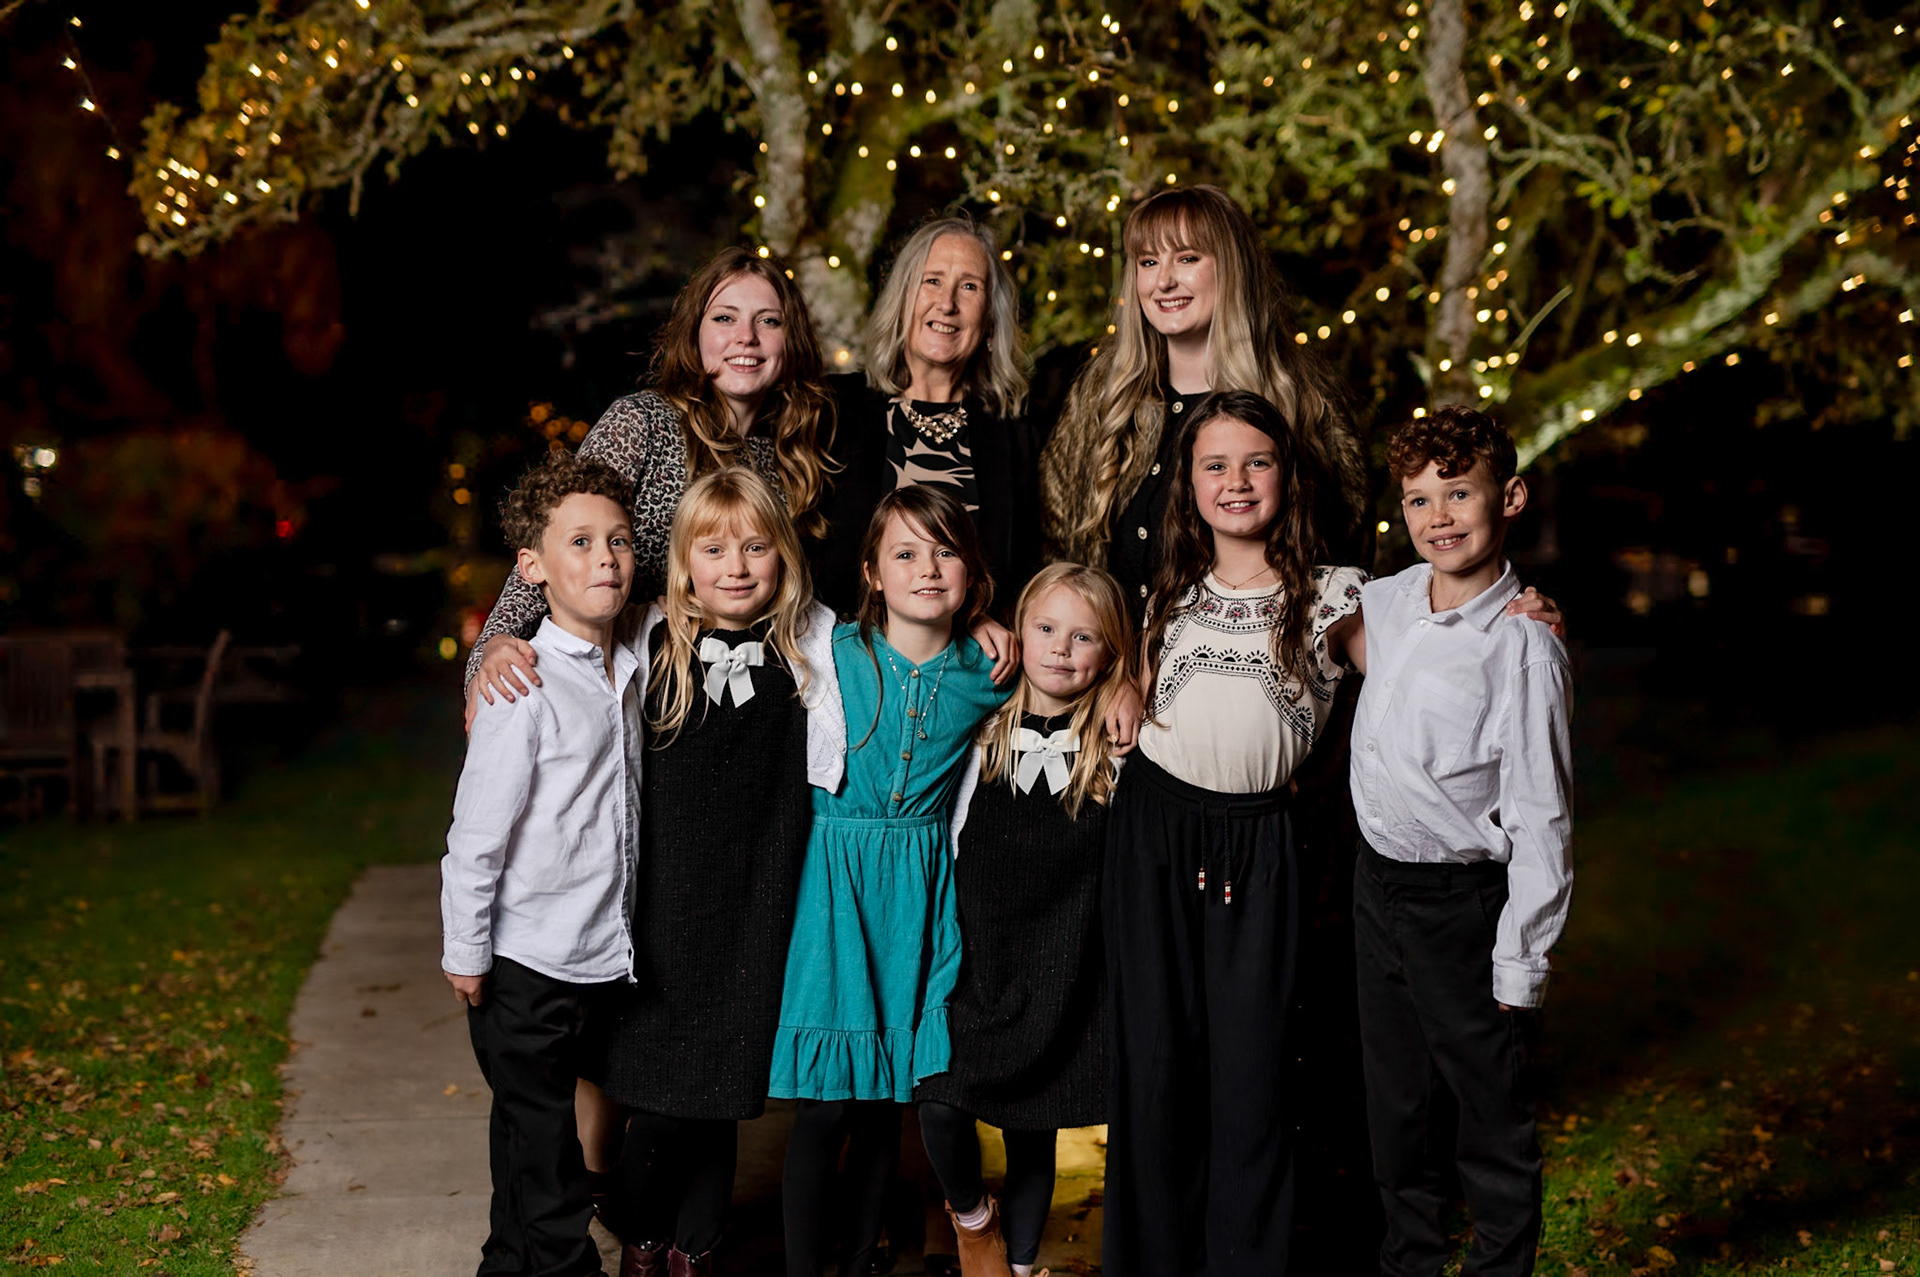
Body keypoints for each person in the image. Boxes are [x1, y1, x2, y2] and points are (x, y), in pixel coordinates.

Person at [1101, 390, 1366, 1277]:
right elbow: (1136, 684)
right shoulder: (1169, 589)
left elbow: (1424, 666)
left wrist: (1513, 608)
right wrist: (1126, 682)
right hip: (1153, 832)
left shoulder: (1334, 595)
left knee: (1253, 1073)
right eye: (1215, 464)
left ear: (1289, 477)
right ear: (1189, 482)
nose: (1237, 480)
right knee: (1156, 1069)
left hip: (1258, 844)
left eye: (1257, 461)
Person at [1337, 406, 1572, 1277]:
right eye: (1417, 499)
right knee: (1397, 1110)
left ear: (1509, 497)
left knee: (1487, 1110)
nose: (1437, 517)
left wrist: (1521, 962)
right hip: (1378, 889)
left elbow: (1543, 814)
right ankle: (1410, 1263)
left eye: (1459, 493)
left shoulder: (1524, 646)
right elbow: (1304, 600)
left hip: (1461, 907)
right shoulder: (1391, 598)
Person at [598, 468, 846, 1277]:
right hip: (665, 908)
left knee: (722, 1091)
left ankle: (693, 1250)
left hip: (760, 902)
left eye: (755, 547)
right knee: (660, 1097)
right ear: (683, 561)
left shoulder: (808, 646)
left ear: (784, 558)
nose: (736, 566)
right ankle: (639, 1233)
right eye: (713, 549)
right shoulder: (647, 636)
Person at [771, 486, 1012, 1277]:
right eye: (905, 553)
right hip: (832, 889)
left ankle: (860, 1261)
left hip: (919, 891)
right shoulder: (830, 649)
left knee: (886, 1098)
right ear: (871, 572)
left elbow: (1078, 666)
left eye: (945, 552)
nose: (927, 568)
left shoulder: (988, 670)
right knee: (828, 1104)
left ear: (972, 573)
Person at [465, 245, 834, 722]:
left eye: (768, 321)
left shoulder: (791, 455)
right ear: (695, 333)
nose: (746, 337)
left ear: (791, 339)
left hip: (725, 697)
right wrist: (491, 648)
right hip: (620, 685)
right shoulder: (642, 423)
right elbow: (558, 538)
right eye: (725, 318)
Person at [439, 452, 644, 1277]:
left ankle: (505, 1264)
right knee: (552, 1162)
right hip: (522, 963)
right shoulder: (519, 684)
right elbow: (475, 836)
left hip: (592, 959)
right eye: (581, 542)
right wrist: (466, 950)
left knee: (524, 1142)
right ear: (533, 567)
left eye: (619, 540)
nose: (606, 558)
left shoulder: (630, 660)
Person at [916, 563, 1134, 1277]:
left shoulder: (1116, 748)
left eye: (1083, 637)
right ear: (1020, 630)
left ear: (1110, 651)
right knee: (939, 1100)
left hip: (1064, 968)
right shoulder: (981, 729)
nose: (1061, 648)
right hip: (976, 960)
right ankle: (973, 1220)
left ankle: (1018, 1267)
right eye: (1045, 628)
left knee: (1033, 1130)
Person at [1038, 185, 1368, 617]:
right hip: (1108, 656)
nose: (1163, 281)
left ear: (1230, 267)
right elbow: (1057, 544)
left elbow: (1344, 562)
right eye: (1148, 262)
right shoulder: (1102, 394)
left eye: (1187, 258)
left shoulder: (1300, 398)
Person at [816, 214, 1041, 618]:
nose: (947, 304)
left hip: (973, 654)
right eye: (932, 280)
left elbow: (1026, 577)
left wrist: (985, 623)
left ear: (991, 316)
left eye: (969, 286)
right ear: (902, 298)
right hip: (846, 648)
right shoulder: (833, 409)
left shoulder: (1017, 433)